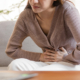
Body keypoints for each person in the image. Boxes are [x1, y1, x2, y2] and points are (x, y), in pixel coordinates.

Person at [5, 0, 80, 71]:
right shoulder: (26, 16)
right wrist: (40, 57)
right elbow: (11, 50)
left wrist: (65, 57)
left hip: (73, 63)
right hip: (49, 64)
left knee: (42, 72)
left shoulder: (67, 10)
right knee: (15, 65)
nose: (34, 1)